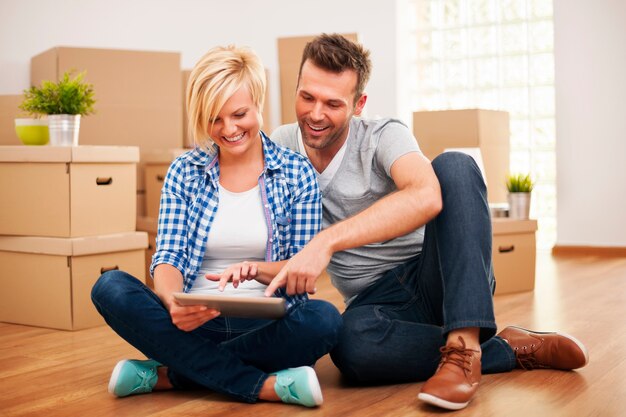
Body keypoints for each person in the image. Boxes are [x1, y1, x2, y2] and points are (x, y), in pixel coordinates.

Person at [267, 33, 589, 411]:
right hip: (375, 303)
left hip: (438, 275)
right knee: (350, 347)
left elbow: (426, 194)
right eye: (307, 97)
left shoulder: (384, 134)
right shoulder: (281, 144)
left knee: (454, 165)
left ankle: (465, 344)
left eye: (333, 103)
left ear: (358, 105)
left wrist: (326, 242)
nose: (316, 114)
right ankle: (501, 350)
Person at [91, 45, 342, 408]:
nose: (229, 129)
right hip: (191, 323)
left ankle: (172, 373)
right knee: (110, 286)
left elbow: (299, 268)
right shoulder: (184, 171)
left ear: (258, 103)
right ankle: (263, 385)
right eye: (215, 119)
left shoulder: (296, 173)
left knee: (325, 320)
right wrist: (173, 302)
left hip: (265, 327)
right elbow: (169, 256)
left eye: (239, 113)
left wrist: (256, 271)